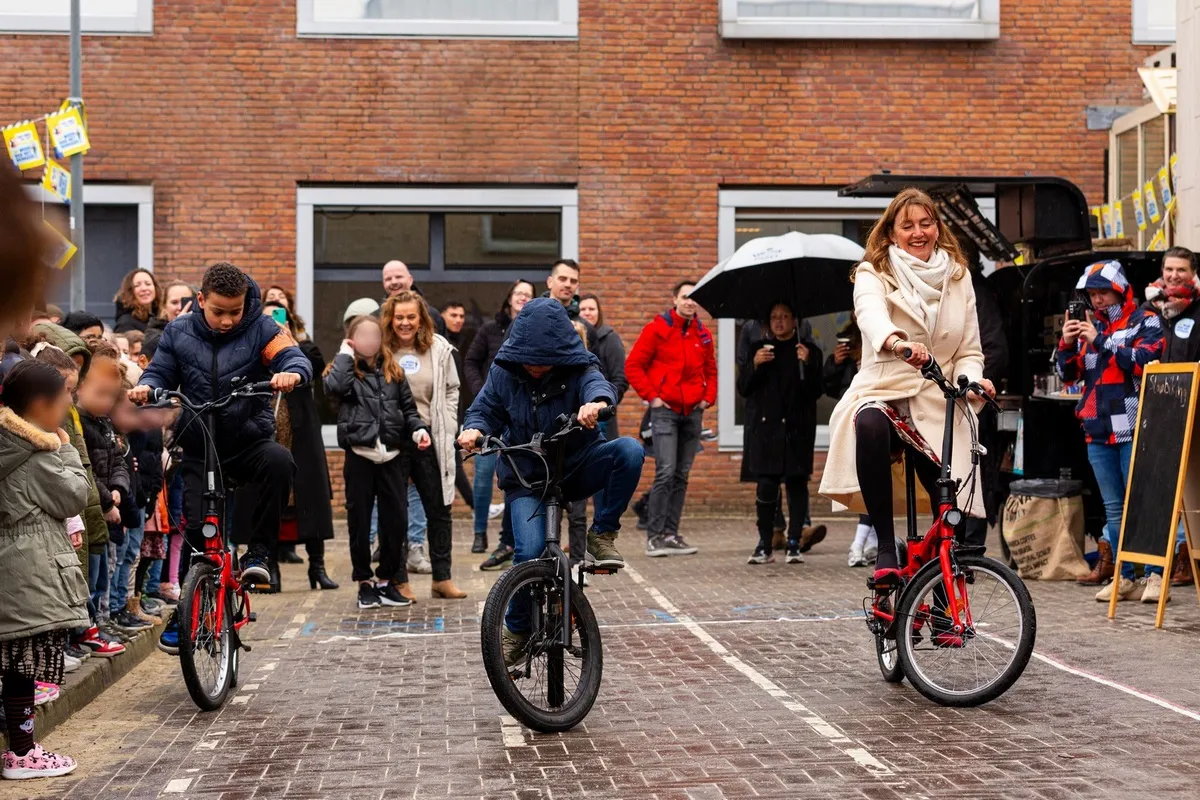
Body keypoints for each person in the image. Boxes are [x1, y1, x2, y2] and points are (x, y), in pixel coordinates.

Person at [131, 263, 312, 654]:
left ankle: (259, 552)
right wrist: (147, 387)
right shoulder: (178, 332)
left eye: (235, 311)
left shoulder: (262, 328)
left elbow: (292, 357)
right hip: (200, 446)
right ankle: (185, 614)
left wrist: (292, 373)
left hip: (248, 443)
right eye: (219, 311)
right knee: (197, 531)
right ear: (201, 300)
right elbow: (160, 372)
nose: (228, 320)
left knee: (280, 462)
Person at [819, 188, 994, 587]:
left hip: (937, 395)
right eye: (908, 225)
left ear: (937, 228)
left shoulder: (958, 276)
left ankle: (944, 582)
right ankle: (884, 547)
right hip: (886, 386)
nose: (918, 233)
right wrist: (897, 343)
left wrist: (972, 382)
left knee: (946, 491)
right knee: (869, 424)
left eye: (926, 223)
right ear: (891, 233)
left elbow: (969, 350)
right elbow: (870, 314)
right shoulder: (874, 272)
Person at [460, 299, 643, 661]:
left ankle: (602, 535)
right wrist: (474, 429)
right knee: (528, 554)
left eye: (544, 360)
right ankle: (517, 630)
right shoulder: (503, 371)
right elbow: (483, 409)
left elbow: (598, 385)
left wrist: (596, 403)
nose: (535, 366)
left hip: (575, 467)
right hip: (526, 477)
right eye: (529, 358)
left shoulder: (580, 365)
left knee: (629, 451)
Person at [0, 360, 91, 781]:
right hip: (28, 575)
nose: (68, 407)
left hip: (11, 570)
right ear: (39, 405)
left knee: (9, 663)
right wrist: (65, 447)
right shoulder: (35, 457)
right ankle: (22, 754)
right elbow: (74, 495)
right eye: (63, 400)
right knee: (22, 667)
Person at [1056, 261, 1165, 603]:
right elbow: (1068, 376)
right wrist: (1066, 343)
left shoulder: (1145, 320)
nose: (1097, 299)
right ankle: (1125, 576)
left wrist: (1100, 340)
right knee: (1114, 508)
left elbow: (1145, 361)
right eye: (1092, 294)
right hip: (1098, 429)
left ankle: (1155, 575)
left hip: (1135, 426)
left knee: (1143, 504)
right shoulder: (1089, 327)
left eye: (1103, 292)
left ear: (1120, 290)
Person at [325, 315, 429, 609]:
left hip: (392, 456)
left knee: (396, 521)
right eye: (363, 335)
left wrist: (418, 430)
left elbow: (408, 410)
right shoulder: (343, 369)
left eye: (374, 335)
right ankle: (364, 582)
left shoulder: (394, 371)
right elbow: (335, 389)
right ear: (352, 339)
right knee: (359, 523)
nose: (370, 340)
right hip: (359, 456)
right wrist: (345, 355)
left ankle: (385, 581)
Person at [235, 301, 337, 591]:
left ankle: (317, 567)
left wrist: (291, 342)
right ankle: (271, 567)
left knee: (311, 502)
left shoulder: (301, 349)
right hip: (263, 439)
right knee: (269, 504)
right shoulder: (250, 352)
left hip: (300, 439)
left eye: (278, 319)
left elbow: (315, 367)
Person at [381, 292, 466, 599]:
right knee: (395, 512)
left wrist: (450, 422)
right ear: (390, 320)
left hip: (431, 438)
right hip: (393, 439)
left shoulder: (439, 348)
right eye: (399, 317)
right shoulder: (381, 348)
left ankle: (442, 578)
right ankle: (399, 580)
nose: (405, 323)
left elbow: (453, 389)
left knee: (439, 507)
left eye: (411, 317)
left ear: (421, 319)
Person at [626, 280, 715, 557]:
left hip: (693, 412)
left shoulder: (703, 334)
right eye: (685, 297)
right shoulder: (657, 329)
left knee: (681, 475)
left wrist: (708, 397)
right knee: (665, 472)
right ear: (675, 299)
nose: (690, 302)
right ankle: (654, 537)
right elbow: (633, 365)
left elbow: (711, 370)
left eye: (694, 298)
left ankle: (671, 534)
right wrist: (652, 397)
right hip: (664, 412)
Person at [737, 302, 823, 565]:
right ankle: (764, 543)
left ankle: (794, 542)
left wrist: (808, 364)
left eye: (785, 316)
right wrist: (754, 365)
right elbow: (744, 388)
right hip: (766, 429)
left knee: (796, 484)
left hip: (797, 429)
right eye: (774, 317)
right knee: (766, 485)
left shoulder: (809, 351)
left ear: (795, 321)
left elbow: (816, 390)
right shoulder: (759, 349)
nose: (779, 321)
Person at [1141, 247, 1200, 590]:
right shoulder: (1150, 307)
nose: (1174, 275)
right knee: (1163, 485)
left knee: (1190, 489)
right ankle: (1164, 560)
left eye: (1181, 269)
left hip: (1193, 409)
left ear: (1193, 273)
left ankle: (1186, 555)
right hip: (1158, 410)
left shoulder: (1199, 307)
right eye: (1169, 269)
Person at [464, 280, 533, 562]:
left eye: (528, 295)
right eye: (519, 293)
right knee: (483, 475)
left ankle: (511, 538)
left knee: (513, 474)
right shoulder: (490, 330)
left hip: (517, 414)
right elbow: (471, 361)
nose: (523, 298)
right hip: (492, 411)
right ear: (509, 298)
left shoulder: (533, 331)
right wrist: (482, 391)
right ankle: (479, 531)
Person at [823, 318, 878, 567]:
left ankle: (863, 542)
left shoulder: (883, 333)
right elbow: (830, 386)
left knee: (875, 478)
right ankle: (866, 542)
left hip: (877, 411)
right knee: (864, 479)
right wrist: (835, 363)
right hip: (851, 416)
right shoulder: (847, 341)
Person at [440, 299, 476, 512]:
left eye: (461, 316)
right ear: (442, 316)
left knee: (453, 460)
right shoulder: (441, 344)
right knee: (453, 461)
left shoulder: (464, 342)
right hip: (445, 410)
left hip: (459, 408)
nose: (458, 320)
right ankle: (474, 504)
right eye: (453, 315)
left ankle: (474, 505)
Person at [382, 260, 446, 335]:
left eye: (399, 277)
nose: (394, 282)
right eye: (388, 279)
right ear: (383, 284)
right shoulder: (376, 317)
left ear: (410, 280)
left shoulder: (432, 315)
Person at [113, 269, 162, 333]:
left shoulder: (161, 319)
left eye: (148, 284)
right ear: (130, 292)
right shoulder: (125, 324)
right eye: (137, 285)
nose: (144, 288)